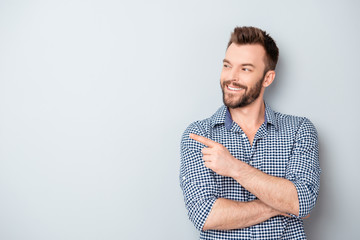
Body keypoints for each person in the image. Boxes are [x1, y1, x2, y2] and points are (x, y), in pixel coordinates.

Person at [179, 26, 321, 239]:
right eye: (227, 66)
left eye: (245, 69)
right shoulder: (199, 135)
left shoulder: (299, 130)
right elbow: (204, 215)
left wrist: (234, 168)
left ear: (267, 78)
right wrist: (280, 204)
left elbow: (303, 201)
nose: (231, 77)